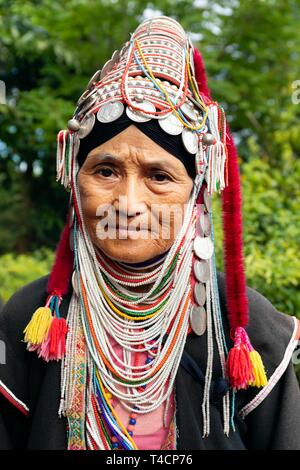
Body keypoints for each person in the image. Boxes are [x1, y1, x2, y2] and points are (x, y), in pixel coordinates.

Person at [0, 16, 299, 451]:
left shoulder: (244, 328)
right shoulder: (28, 320)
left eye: (159, 175)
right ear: (73, 178)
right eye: (105, 170)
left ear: (195, 193)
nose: (128, 202)